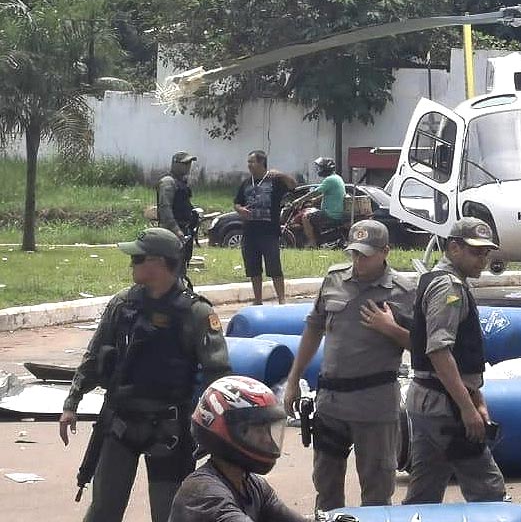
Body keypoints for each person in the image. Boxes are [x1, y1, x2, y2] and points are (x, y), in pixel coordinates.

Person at [59, 228, 231, 522]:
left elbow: (219, 376)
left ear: (161, 262)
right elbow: (94, 355)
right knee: (103, 509)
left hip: (170, 431)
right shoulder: (123, 304)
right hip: (120, 424)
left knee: (169, 514)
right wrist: (71, 403)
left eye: (138, 258)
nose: (131, 264)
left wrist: (212, 432)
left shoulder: (196, 312)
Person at [281, 220, 414, 510]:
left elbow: (426, 348)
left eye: (365, 255)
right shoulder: (334, 280)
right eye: (354, 253)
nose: (358, 261)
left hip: (375, 407)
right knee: (326, 489)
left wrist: (389, 328)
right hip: (331, 404)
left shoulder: (404, 290)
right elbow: (313, 329)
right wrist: (293, 380)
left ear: (385, 252)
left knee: (376, 493)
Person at [402, 217, 506, 505]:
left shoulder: (440, 280)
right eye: (475, 252)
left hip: (430, 401)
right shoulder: (448, 287)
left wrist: (476, 397)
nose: (482, 260)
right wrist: (467, 409)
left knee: (425, 491)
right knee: (488, 490)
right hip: (443, 405)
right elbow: (439, 350)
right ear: (453, 247)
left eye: (486, 253)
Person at [168, 375, 306, 522]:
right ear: (227, 430)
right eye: (259, 431)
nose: (267, 439)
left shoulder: (253, 485)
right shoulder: (203, 493)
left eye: (268, 430)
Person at [234, 150, 297, 305]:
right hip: (250, 232)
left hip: (269, 232)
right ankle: (258, 300)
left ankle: (282, 299)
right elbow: (237, 202)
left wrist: (281, 174)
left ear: (261, 163)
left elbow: (293, 185)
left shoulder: (274, 181)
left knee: (274, 266)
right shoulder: (247, 183)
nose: (249, 165)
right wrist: (240, 209)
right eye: (248, 162)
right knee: (253, 268)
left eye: (252, 162)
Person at [157, 151, 199, 280]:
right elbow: (165, 209)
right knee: (171, 270)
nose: (188, 166)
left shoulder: (181, 182)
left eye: (189, 163)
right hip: (172, 232)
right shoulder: (168, 182)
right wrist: (177, 231)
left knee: (181, 269)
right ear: (175, 164)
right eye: (185, 163)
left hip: (184, 230)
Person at [299, 157, 347, 248]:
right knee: (315, 214)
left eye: (321, 168)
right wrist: (315, 200)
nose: (319, 170)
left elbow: (315, 192)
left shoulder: (329, 180)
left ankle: (312, 242)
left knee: (306, 217)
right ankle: (319, 240)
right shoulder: (337, 178)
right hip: (337, 212)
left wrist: (299, 200)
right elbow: (328, 193)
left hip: (331, 213)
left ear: (327, 168)